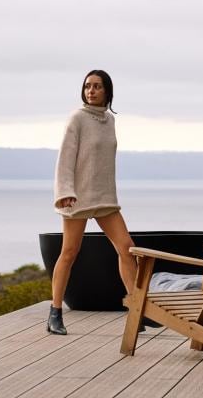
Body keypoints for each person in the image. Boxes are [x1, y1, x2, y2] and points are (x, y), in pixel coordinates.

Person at [48, 69, 137, 335]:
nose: (91, 91)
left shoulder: (108, 120)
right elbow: (65, 157)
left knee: (127, 248)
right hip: (76, 196)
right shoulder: (77, 119)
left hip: (105, 197)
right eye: (88, 86)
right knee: (69, 252)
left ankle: (137, 310)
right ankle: (55, 313)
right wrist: (64, 190)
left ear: (107, 91)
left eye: (97, 86)